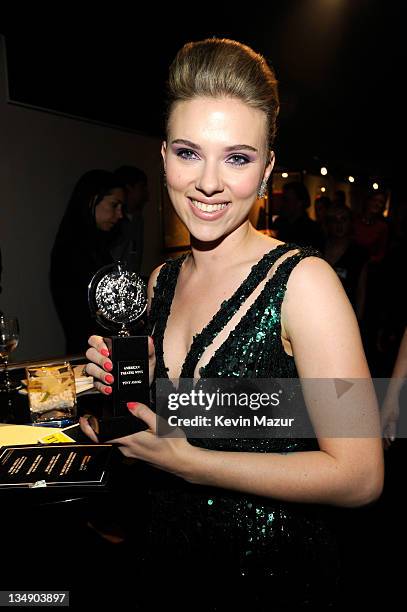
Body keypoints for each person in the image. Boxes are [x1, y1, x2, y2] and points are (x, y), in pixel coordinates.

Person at [81, 39, 383, 608]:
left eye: (237, 158)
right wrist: (129, 402)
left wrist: (193, 465)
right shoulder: (159, 282)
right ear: (164, 155)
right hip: (163, 561)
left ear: (267, 168)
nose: (209, 183)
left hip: (272, 577)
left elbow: (362, 474)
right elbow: (196, 420)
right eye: (190, 153)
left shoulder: (304, 283)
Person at [50, 169, 126, 354]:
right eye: (114, 205)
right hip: (88, 355)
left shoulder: (92, 246)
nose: (120, 215)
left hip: (95, 353)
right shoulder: (72, 249)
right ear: (92, 200)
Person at [112, 166, 149, 274]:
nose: (146, 194)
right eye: (142, 188)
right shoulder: (112, 222)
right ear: (128, 189)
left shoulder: (138, 220)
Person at [272, 181, 325, 249]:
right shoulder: (279, 223)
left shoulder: (312, 230)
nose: (283, 204)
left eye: (287, 200)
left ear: (300, 203)